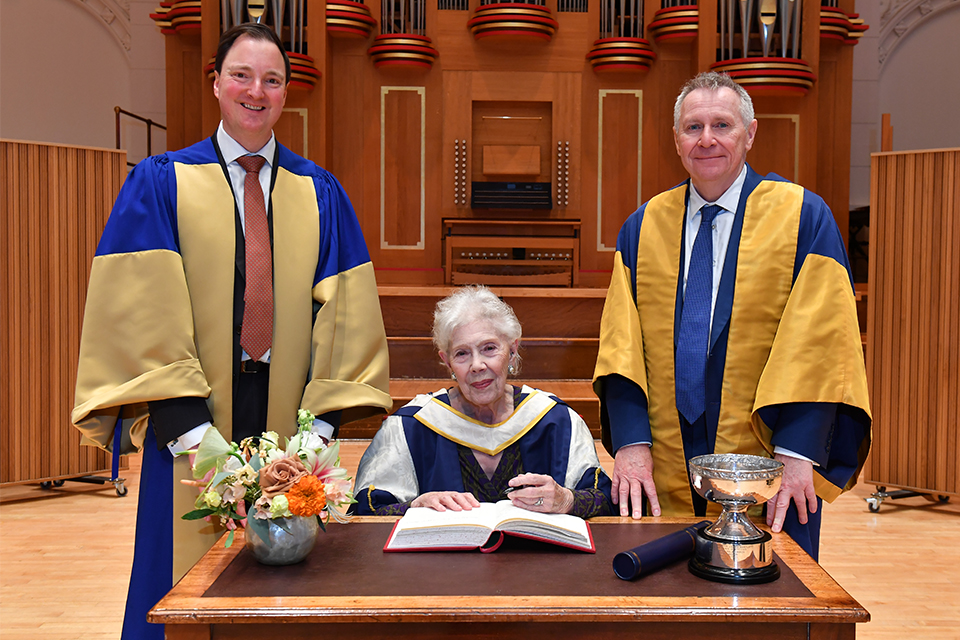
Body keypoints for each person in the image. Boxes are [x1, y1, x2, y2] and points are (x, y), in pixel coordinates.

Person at [71, 23, 391, 640]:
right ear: (216, 82)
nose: (255, 91)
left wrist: (316, 437)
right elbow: (141, 309)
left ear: (287, 92)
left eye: (272, 79)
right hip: (190, 422)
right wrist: (194, 435)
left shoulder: (320, 193)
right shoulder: (161, 182)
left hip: (289, 427)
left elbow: (347, 318)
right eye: (241, 75)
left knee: (288, 587)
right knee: (181, 587)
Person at [593, 72, 871, 560]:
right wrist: (631, 444)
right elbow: (621, 347)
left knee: (770, 588)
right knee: (663, 588)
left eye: (722, 125)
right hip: (664, 455)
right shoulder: (643, 225)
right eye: (692, 127)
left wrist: (799, 452)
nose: (706, 140)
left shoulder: (803, 217)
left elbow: (821, 345)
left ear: (750, 133)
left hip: (769, 459)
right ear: (676, 139)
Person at [355, 285, 613, 518]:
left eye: (489, 348)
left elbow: (603, 500)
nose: (477, 365)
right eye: (462, 353)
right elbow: (365, 513)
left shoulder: (557, 422)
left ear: (512, 351)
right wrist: (414, 506)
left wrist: (566, 500)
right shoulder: (411, 427)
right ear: (447, 362)